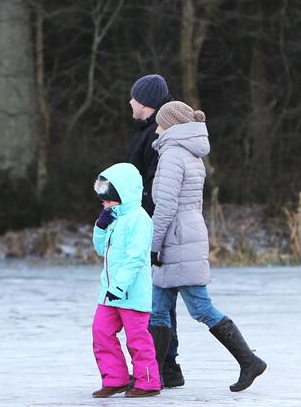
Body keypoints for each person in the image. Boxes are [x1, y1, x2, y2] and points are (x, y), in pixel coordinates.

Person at [148, 101, 267, 392]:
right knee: (159, 309)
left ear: (171, 124)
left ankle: (249, 360)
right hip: (186, 231)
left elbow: (165, 205)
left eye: (160, 122)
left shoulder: (173, 154)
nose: (156, 126)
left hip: (176, 237)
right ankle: (153, 374)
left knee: (200, 307)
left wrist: (153, 244)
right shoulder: (191, 152)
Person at [126, 74, 183, 387]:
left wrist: (144, 224)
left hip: (153, 227)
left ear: (145, 103)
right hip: (147, 225)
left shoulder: (155, 137)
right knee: (159, 299)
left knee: (160, 299)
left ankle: (164, 365)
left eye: (134, 98)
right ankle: (166, 365)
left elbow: (154, 186)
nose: (130, 103)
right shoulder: (146, 132)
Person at [90, 162, 161, 398]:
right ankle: (116, 378)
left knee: (137, 339)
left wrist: (120, 287)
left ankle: (148, 382)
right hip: (109, 292)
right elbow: (102, 250)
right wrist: (100, 228)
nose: (105, 205)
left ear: (124, 195)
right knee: (101, 332)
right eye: (103, 201)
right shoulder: (114, 219)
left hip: (132, 293)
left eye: (109, 200)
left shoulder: (139, 219)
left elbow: (137, 258)